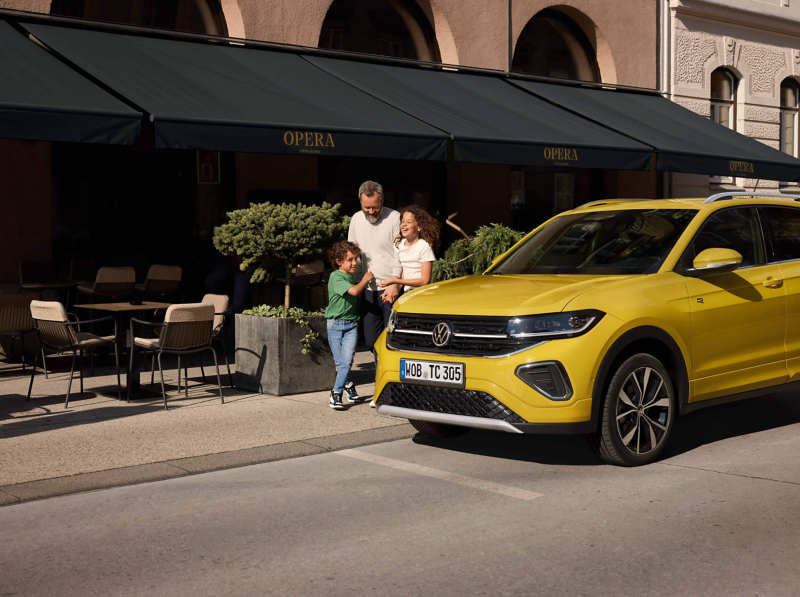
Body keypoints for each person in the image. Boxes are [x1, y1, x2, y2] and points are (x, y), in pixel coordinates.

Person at [348, 180, 402, 352]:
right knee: (371, 341)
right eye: (367, 208)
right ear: (361, 203)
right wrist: (356, 284)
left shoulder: (394, 217)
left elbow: (400, 253)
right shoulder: (356, 219)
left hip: (390, 286)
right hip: (368, 288)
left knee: (392, 340)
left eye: (375, 207)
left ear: (382, 200)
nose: (371, 212)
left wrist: (395, 283)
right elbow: (352, 255)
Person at [325, 241, 374, 410]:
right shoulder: (336, 276)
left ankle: (340, 391)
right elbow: (353, 291)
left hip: (351, 325)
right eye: (350, 259)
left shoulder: (350, 276)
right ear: (339, 261)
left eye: (356, 259)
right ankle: (343, 390)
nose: (355, 263)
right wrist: (365, 280)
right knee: (342, 363)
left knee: (346, 361)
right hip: (335, 325)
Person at [378, 205, 439, 292]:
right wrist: (394, 290)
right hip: (408, 293)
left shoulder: (424, 247)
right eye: (402, 221)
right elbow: (404, 274)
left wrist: (395, 280)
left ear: (419, 227)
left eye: (409, 222)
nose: (404, 224)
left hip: (424, 295)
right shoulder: (399, 245)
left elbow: (425, 281)